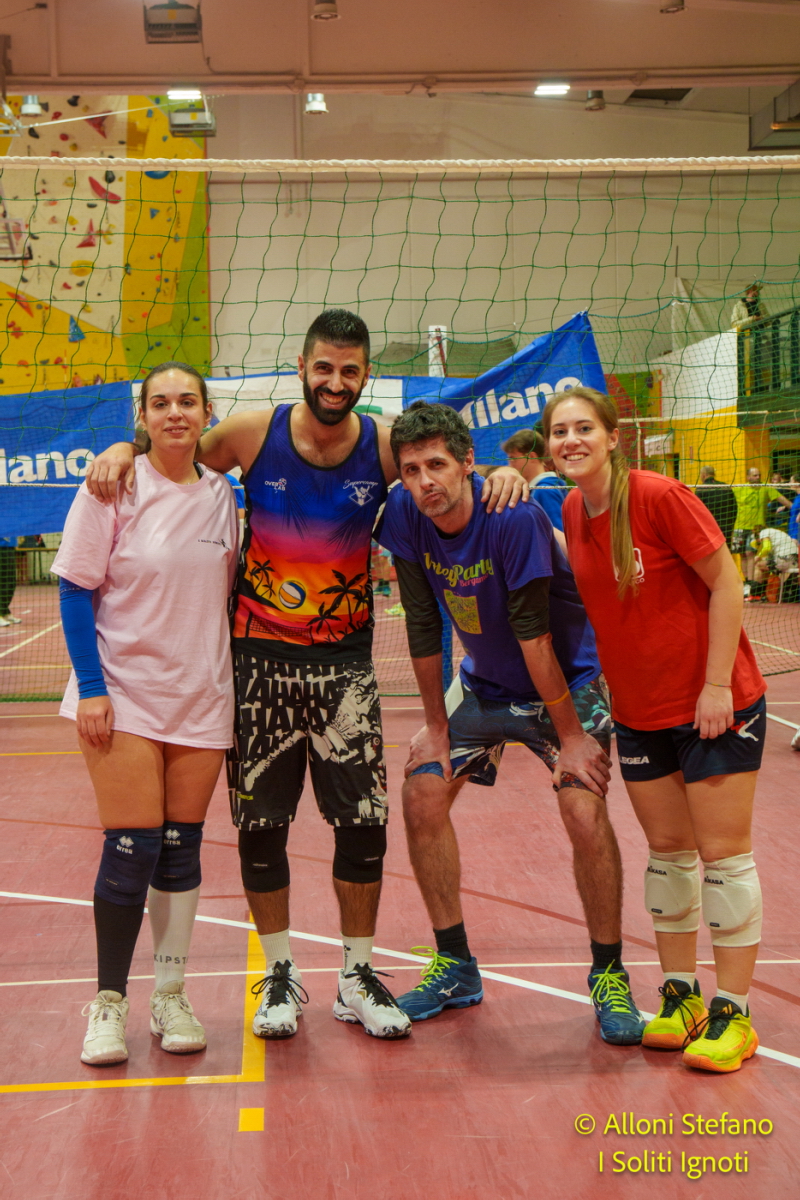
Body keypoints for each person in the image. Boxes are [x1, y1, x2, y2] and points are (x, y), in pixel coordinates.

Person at [84, 309, 526, 1042]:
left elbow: (445, 467)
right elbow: (173, 449)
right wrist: (121, 448)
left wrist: (507, 472)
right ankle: (281, 973)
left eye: (350, 371)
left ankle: (356, 975)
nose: (335, 382)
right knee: (262, 826)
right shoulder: (251, 433)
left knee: (364, 824)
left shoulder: (384, 445)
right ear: (302, 367)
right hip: (258, 660)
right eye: (324, 368)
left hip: (345, 663)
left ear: (365, 376)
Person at [376, 401, 646, 1045]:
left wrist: (572, 739)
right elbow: (423, 624)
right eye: (411, 470)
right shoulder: (406, 515)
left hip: (566, 686)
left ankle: (609, 974)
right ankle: (455, 965)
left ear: (468, 463)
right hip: (486, 686)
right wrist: (436, 727)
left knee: (583, 809)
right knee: (421, 793)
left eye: (437, 465)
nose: (424, 481)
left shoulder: (513, 517)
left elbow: (535, 637)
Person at [543, 386, 767, 1074]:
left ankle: (734, 1014)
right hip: (641, 713)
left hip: (712, 707)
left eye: (584, 428)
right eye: (559, 431)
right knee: (668, 858)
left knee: (723, 858)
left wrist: (716, 685)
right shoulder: (573, 509)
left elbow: (726, 581)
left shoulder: (658, 496)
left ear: (614, 436)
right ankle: (681, 999)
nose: (571, 440)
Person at [52, 362, 239, 1066]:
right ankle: (108, 1003)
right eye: (160, 403)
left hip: (202, 695)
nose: (175, 413)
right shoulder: (113, 485)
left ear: (207, 412)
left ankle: (170, 994)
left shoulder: (224, 496)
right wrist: (91, 687)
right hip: (123, 693)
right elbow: (75, 590)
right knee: (131, 849)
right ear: (143, 416)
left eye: (187, 401)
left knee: (181, 849)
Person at [732, 466, 791, 588]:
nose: (758, 477)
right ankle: (746, 582)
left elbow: (782, 500)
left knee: (750, 553)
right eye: (755, 475)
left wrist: (794, 507)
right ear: (748, 477)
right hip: (739, 527)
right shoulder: (739, 489)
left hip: (756, 528)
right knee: (742, 554)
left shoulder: (766, 487)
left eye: (759, 475)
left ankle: (752, 582)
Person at [502, 427, 569, 530]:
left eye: (513, 458)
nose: (510, 465)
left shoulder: (544, 491)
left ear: (532, 456)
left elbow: (560, 534)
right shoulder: (539, 488)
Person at [750, 525, 799, 601]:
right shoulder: (777, 532)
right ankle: (764, 594)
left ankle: (756, 595)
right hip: (794, 561)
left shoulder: (764, 532)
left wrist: (758, 557)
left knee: (758, 565)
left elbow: (766, 548)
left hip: (784, 559)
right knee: (766, 566)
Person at [695, 466, 736, 549]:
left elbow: (697, 511)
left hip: (710, 529)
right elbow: (734, 507)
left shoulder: (701, 489)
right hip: (726, 528)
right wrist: (731, 524)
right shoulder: (725, 487)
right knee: (726, 552)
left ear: (703, 475)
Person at [0, 534, 20, 626]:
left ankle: (4, 612)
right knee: (2, 581)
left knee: (11, 582)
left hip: (10, 546)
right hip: (1, 547)